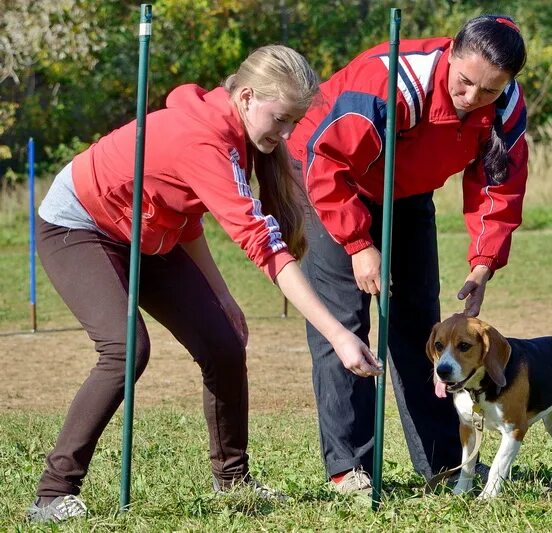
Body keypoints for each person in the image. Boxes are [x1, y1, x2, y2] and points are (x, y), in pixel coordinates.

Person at [27, 44, 383, 523]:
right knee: (126, 348)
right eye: (280, 119)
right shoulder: (204, 138)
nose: (285, 134)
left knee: (223, 342)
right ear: (248, 97)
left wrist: (221, 297)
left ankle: (232, 482)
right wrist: (339, 335)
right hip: (80, 224)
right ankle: (52, 493)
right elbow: (264, 246)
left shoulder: (235, 133)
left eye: (293, 123)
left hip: (149, 233)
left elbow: (185, 215)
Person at [286, 14, 529, 494]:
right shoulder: (389, 83)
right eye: (465, 83)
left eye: (489, 91)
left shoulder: (505, 105)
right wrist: (359, 244)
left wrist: (483, 264)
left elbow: (499, 187)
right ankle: (348, 468)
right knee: (344, 324)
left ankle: (442, 462)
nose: (472, 99)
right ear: (451, 54)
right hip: (327, 179)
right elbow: (325, 160)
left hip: (408, 190)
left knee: (425, 326)